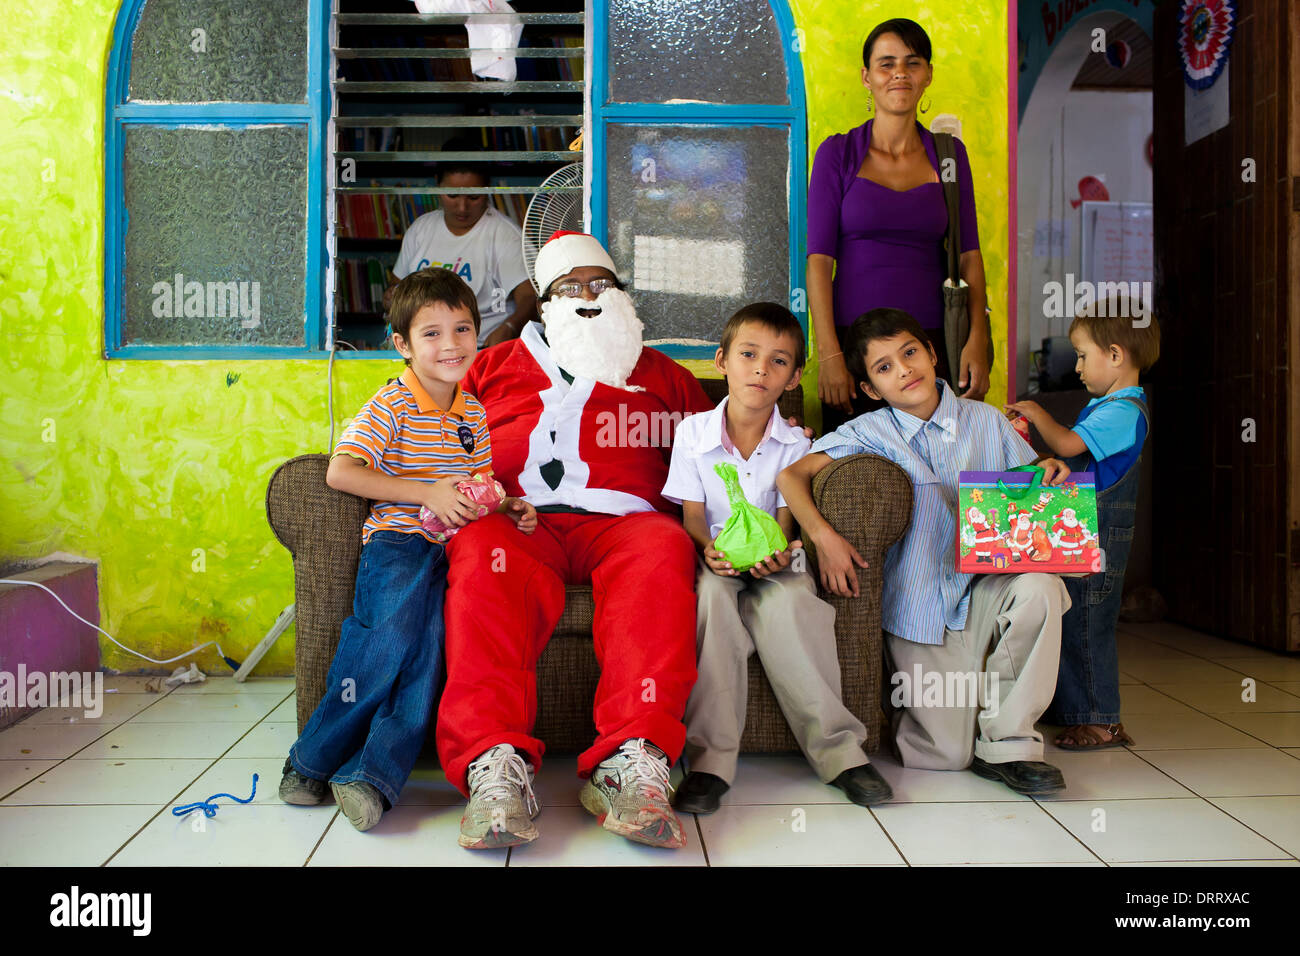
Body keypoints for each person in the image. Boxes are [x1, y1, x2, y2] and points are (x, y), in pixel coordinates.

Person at [435, 231, 717, 851]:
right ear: (543, 301)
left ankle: (633, 760)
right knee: (482, 552)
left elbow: (713, 457)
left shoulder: (664, 377)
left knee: (664, 549)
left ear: (621, 295)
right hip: (517, 518)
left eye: (600, 284)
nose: (587, 297)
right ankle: (493, 763)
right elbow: (433, 435)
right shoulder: (491, 364)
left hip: (626, 524)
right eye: (569, 287)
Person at [279, 268, 537, 830]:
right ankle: (310, 760)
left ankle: (371, 776)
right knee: (388, 640)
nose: (451, 345)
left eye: (463, 329)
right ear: (402, 344)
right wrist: (426, 492)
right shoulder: (391, 405)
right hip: (397, 543)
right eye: (432, 334)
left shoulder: (472, 411)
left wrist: (506, 503)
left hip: (453, 549)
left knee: (428, 655)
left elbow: (476, 483)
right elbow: (341, 473)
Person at [778, 308, 1073, 796]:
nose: (905, 370)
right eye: (885, 367)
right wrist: (824, 538)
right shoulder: (870, 431)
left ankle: (1011, 743)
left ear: (932, 353)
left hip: (988, 589)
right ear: (871, 389)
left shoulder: (987, 421)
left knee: (1042, 589)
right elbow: (791, 475)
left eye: (910, 353)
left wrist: (1049, 469)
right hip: (920, 610)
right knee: (944, 754)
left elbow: (1032, 489)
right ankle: (961, 718)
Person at [663, 303, 892, 815]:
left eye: (779, 361)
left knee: (793, 606)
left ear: (795, 376)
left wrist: (775, 554)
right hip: (715, 558)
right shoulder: (692, 434)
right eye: (749, 355)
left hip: (775, 559)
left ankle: (840, 753)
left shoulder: (795, 442)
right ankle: (710, 763)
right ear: (722, 361)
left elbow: (785, 522)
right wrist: (709, 552)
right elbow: (694, 517)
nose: (761, 369)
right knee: (712, 608)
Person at [807, 17, 990, 431]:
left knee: (942, 473)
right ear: (866, 77)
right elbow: (818, 261)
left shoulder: (949, 156)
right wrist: (830, 354)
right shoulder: (837, 154)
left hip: (933, 348)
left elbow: (969, 256)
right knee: (857, 484)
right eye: (886, 64)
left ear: (927, 75)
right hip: (856, 352)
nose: (900, 74)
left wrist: (975, 338)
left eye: (912, 62)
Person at [1006, 300, 1160, 751]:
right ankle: (1072, 708)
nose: (1076, 367)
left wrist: (1037, 415)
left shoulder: (1123, 411)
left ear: (1115, 355)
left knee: (1089, 621)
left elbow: (1068, 442)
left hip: (1103, 534)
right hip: (1084, 529)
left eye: (1081, 354)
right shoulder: (1107, 404)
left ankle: (1101, 719)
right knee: (1072, 615)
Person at [384, 151, 537, 348]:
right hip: (424, 348)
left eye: (474, 197)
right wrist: (392, 298)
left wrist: (509, 327)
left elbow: (530, 297)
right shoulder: (421, 229)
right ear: (437, 184)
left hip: (481, 348)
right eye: (452, 195)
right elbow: (396, 286)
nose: (462, 207)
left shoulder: (506, 236)